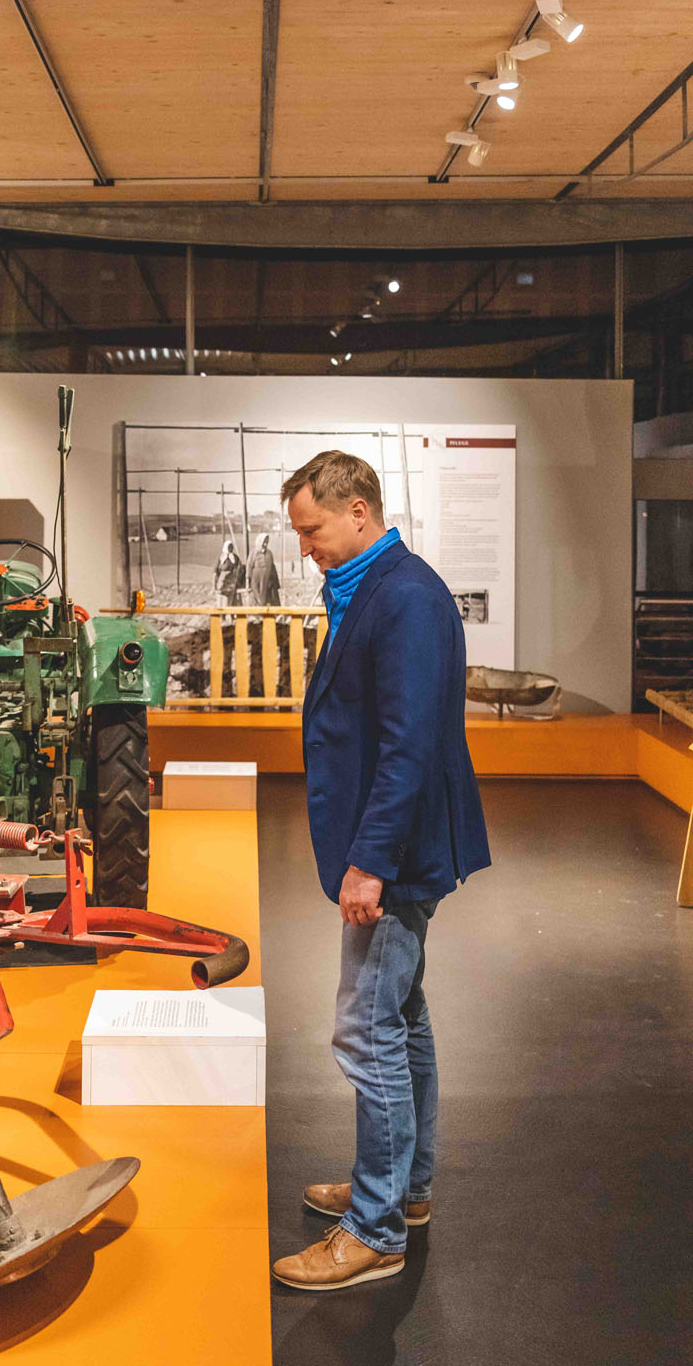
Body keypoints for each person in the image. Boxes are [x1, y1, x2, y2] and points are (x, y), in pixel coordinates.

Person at [271, 449, 490, 1292]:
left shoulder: (405, 598)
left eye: (312, 529)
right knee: (401, 1018)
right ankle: (405, 1189)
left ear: (358, 510)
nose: (305, 548)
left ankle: (375, 1229)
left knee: (365, 1032)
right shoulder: (377, 588)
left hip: (393, 856)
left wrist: (369, 863)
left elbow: (409, 745)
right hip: (393, 847)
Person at [246, 531, 281, 606]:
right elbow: (249, 567)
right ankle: (257, 615)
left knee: (270, 596)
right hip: (257, 580)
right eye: (264, 542)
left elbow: (272, 567)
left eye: (266, 542)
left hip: (267, 579)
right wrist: (247, 580)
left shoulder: (269, 553)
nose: (265, 544)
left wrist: (275, 581)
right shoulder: (253, 553)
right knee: (257, 596)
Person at [213, 538, 245, 607]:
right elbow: (216, 571)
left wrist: (238, 578)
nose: (230, 548)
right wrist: (214, 584)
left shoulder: (235, 557)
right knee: (222, 599)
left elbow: (240, 568)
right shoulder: (221, 558)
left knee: (232, 599)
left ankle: (231, 614)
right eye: (229, 547)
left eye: (231, 546)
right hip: (222, 581)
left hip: (232, 581)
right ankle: (223, 614)